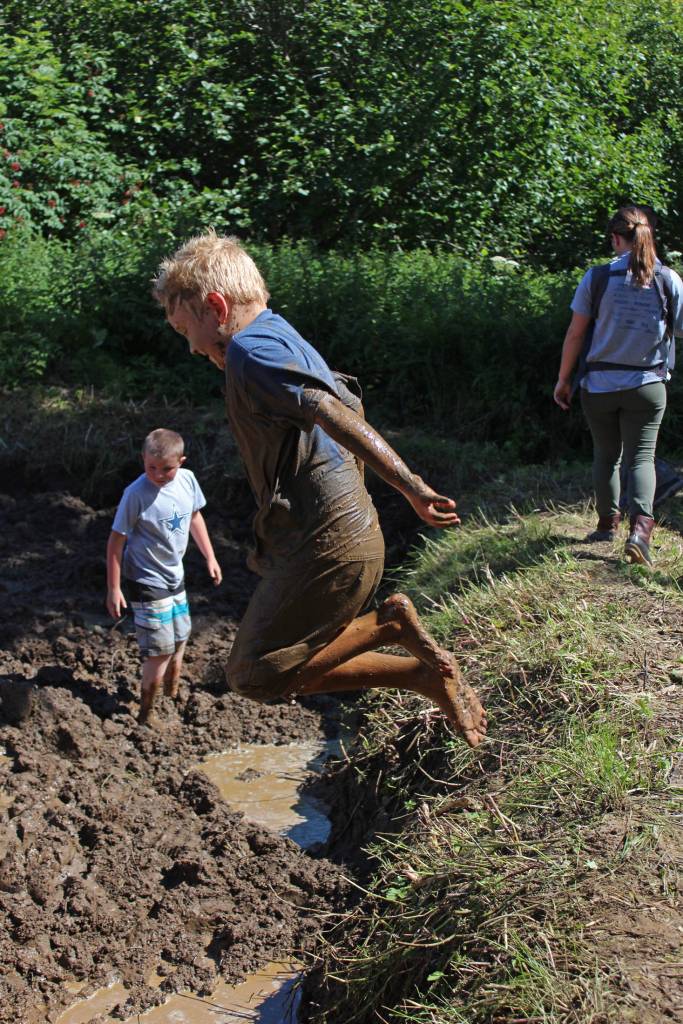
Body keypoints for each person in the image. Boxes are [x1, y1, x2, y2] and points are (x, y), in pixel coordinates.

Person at [152, 232, 487, 748]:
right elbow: (341, 408)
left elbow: (329, 411)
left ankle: (398, 640)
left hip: (328, 544)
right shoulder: (280, 334)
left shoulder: (247, 349)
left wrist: (412, 487)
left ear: (215, 306)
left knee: (253, 675)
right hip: (337, 540)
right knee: (270, 664)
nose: (192, 348)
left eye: (183, 330)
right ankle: (411, 660)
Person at [554, 206, 683, 565]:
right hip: (648, 384)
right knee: (641, 457)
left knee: (606, 456)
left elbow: (576, 333)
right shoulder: (668, 279)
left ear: (615, 239)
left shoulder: (597, 278)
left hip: (599, 385)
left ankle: (607, 524)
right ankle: (640, 531)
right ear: (649, 236)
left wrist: (564, 380)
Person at [106, 428, 222, 725]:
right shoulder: (135, 494)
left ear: (181, 461)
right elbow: (116, 541)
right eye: (151, 467)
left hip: (174, 575)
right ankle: (147, 712)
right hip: (146, 580)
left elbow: (195, 516)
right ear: (143, 459)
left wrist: (209, 556)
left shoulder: (187, 481)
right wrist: (114, 588)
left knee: (181, 636)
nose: (158, 474)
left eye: (167, 468)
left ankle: (171, 694)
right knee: (159, 650)